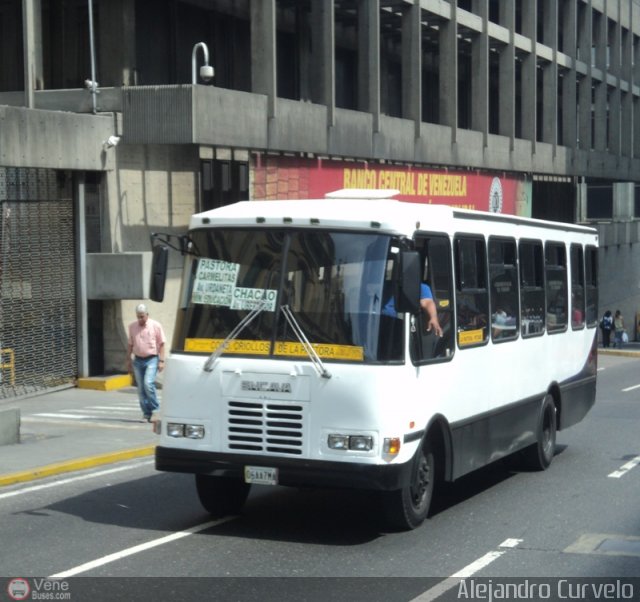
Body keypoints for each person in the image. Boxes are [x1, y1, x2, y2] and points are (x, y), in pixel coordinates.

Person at [127, 303, 166, 422]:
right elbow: (130, 344)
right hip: (138, 360)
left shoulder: (156, 326)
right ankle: (146, 413)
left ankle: (155, 411)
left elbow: (162, 343)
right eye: (138, 316)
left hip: (152, 359)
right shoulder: (132, 327)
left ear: (147, 315)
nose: (140, 319)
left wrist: (162, 361)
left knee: (148, 384)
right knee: (141, 388)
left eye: (142, 316)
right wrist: (128, 360)